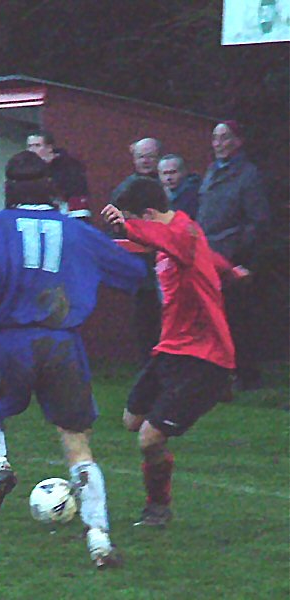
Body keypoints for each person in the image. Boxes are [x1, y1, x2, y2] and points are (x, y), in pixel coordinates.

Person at [0, 150, 147, 568]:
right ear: (50, 189)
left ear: (8, 190)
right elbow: (132, 273)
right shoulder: (73, 231)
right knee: (77, 442)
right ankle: (99, 540)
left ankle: (0, 464)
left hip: (13, 341)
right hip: (63, 344)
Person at [101, 177, 249, 527]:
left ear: (149, 213)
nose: (132, 230)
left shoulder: (182, 232)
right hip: (171, 350)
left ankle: (158, 508)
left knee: (149, 437)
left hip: (203, 358)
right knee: (131, 420)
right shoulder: (182, 239)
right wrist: (230, 270)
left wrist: (128, 227)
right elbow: (206, 255)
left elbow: (173, 240)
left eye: (136, 219)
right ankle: (174, 423)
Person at [197, 120, 270, 390]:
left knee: (237, 319)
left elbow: (257, 221)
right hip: (208, 258)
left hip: (232, 259)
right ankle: (218, 373)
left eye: (225, 138)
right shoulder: (211, 173)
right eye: (215, 138)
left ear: (238, 141)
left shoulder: (248, 175)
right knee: (212, 319)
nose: (218, 143)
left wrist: (242, 258)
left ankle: (246, 375)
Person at [109, 138, 163, 363]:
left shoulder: (168, 184)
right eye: (142, 156)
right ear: (133, 159)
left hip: (168, 261)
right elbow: (114, 226)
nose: (146, 161)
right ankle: (147, 365)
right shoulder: (125, 189)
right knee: (145, 320)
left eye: (151, 156)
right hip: (142, 267)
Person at [26, 129, 92, 221]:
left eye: (37, 145)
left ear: (49, 148)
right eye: (29, 146)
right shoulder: (26, 170)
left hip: (67, 217)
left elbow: (75, 195)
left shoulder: (69, 167)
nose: (32, 150)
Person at [158, 153, 201, 219]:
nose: (169, 177)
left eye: (173, 172)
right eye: (165, 173)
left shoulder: (197, 194)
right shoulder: (157, 195)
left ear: (184, 172)